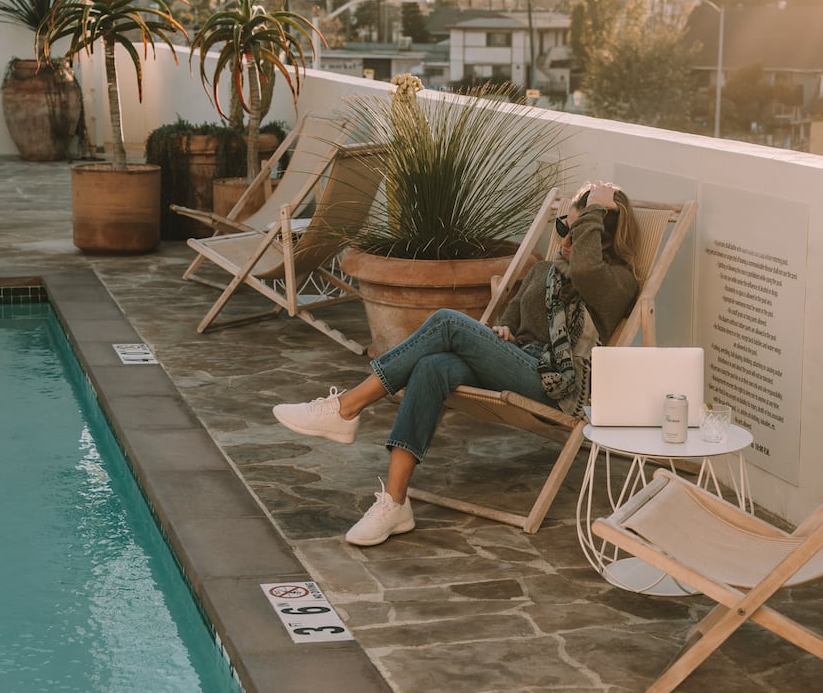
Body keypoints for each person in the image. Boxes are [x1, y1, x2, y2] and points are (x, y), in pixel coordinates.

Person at [272, 182, 641, 547]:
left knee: (447, 321)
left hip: (557, 385)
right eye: (563, 227)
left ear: (601, 239)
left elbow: (587, 271)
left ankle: (346, 408)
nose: (564, 240)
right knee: (433, 366)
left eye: (577, 232)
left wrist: (595, 210)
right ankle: (395, 504)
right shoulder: (543, 271)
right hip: (517, 363)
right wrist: (504, 332)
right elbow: (510, 321)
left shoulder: (617, 283)